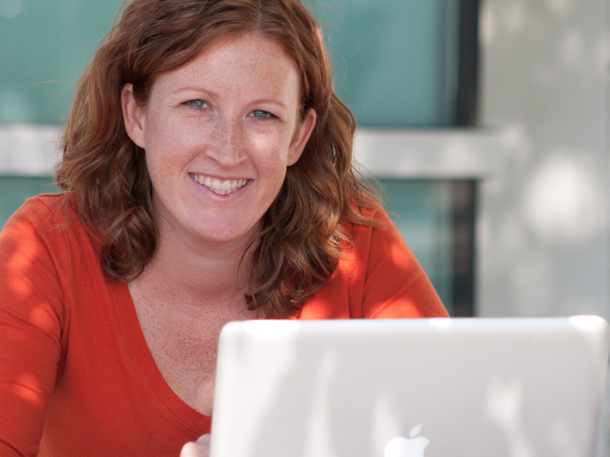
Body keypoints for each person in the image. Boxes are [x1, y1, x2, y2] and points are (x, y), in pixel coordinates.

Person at [0, 0, 448, 455]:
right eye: (196, 104)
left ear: (298, 136)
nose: (228, 150)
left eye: (262, 115)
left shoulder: (355, 245)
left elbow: (456, 430)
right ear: (136, 115)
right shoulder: (47, 248)